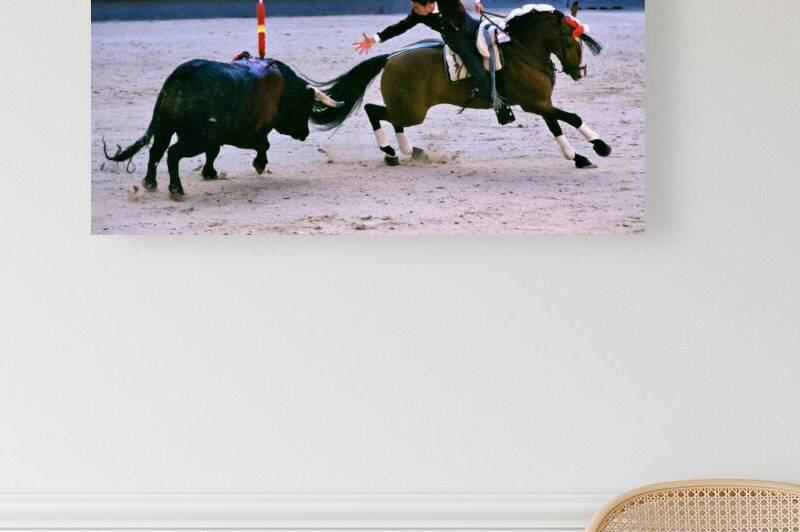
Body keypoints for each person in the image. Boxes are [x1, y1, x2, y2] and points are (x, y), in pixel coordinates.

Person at [354, 0, 515, 125]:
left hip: (474, 29)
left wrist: (476, 2)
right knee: (478, 72)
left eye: (416, 7)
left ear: (429, 5)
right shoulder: (418, 14)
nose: (414, 9)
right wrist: (375, 39)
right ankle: (500, 106)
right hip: (458, 43)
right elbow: (400, 27)